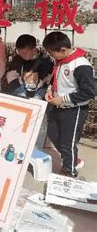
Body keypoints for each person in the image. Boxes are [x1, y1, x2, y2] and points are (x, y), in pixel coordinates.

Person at [43, 31, 95, 177]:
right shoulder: (60, 61)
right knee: (53, 134)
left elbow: (89, 92)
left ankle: (69, 172)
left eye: (53, 54)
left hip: (74, 109)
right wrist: (50, 90)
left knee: (67, 142)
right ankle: (71, 158)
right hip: (58, 106)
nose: (52, 57)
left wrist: (64, 99)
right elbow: (57, 80)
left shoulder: (80, 65)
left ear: (63, 50)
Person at [6, 34, 53, 99]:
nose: (21, 55)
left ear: (34, 50)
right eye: (19, 52)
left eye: (24, 53)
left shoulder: (45, 61)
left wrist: (39, 94)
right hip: (19, 93)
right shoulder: (17, 60)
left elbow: (48, 82)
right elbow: (11, 79)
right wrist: (20, 86)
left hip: (39, 95)